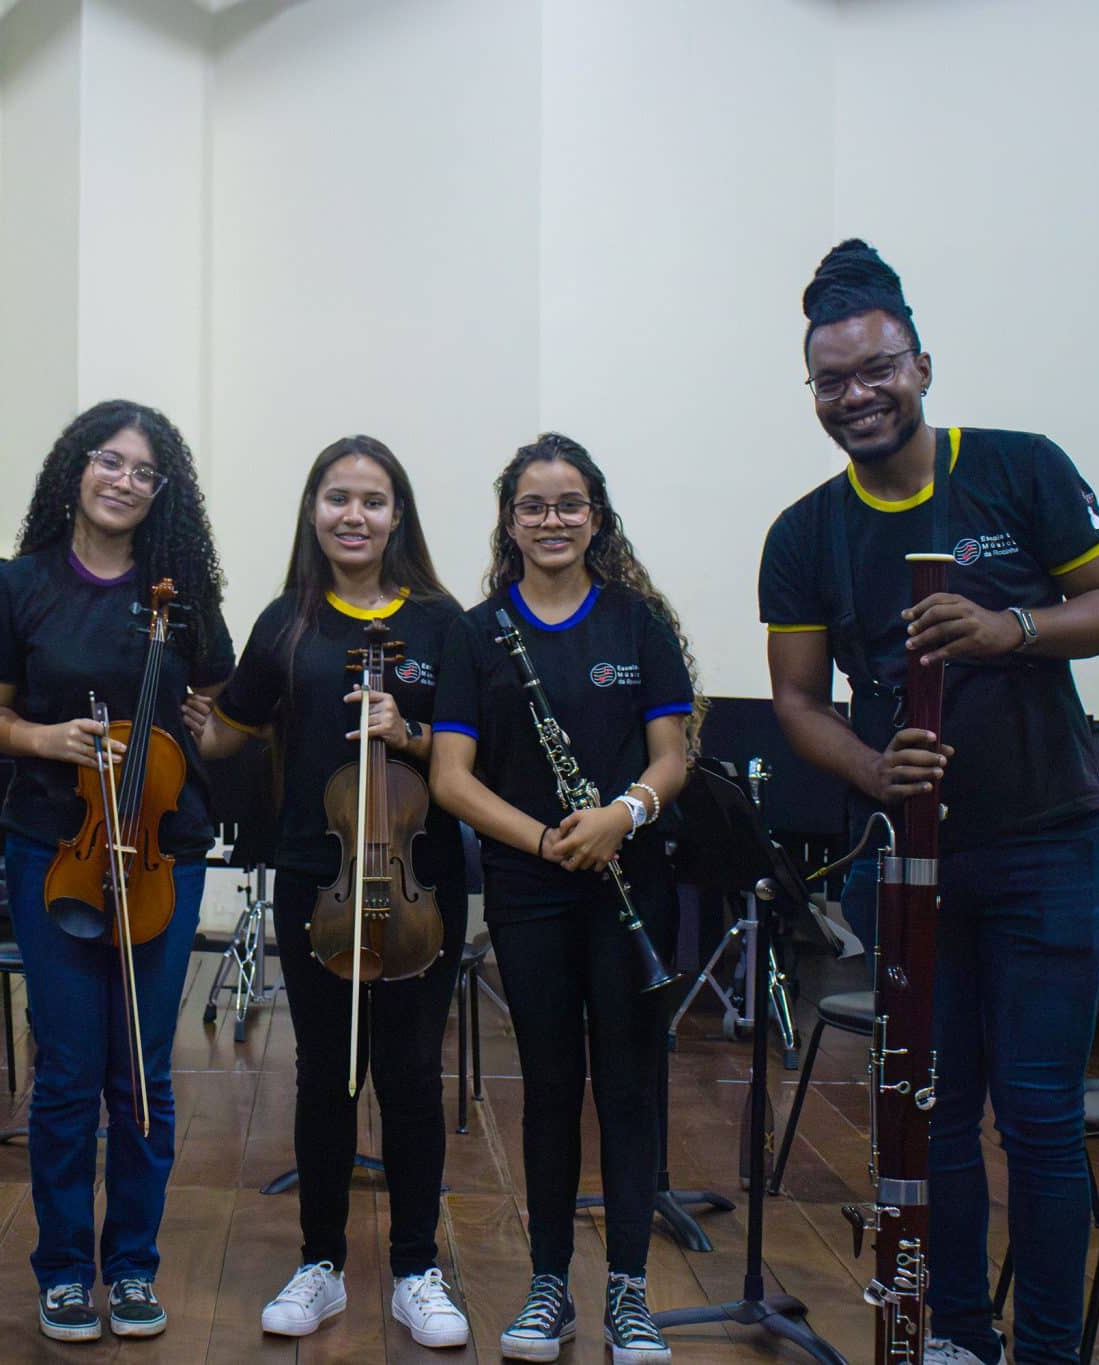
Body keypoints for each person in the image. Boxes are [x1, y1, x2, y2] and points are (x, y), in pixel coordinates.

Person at [759, 240, 1099, 1365]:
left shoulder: (1019, 469)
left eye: (874, 369)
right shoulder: (803, 533)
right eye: (829, 381)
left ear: (919, 365)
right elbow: (794, 701)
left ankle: (1048, 1352)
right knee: (921, 1114)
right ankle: (957, 1339)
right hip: (912, 862)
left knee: (1034, 1120)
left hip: (1043, 849)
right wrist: (873, 771)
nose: (854, 396)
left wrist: (1005, 629)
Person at [195, 436, 471, 1350]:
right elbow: (229, 733)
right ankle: (319, 1262)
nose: (354, 514)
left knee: (411, 1077)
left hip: (418, 878)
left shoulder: (440, 623)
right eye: (337, 496)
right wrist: (169, 686)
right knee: (324, 1075)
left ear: (399, 515)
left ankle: (416, 1268)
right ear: (313, 509)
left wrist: (413, 728)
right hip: (318, 877)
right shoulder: (287, 620)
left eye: (374, 499)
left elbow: (473, 754)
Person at [0, 400, 232, 1342]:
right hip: (54, 844)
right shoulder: (19, 585)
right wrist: (47, 737)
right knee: (71, 1069)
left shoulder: (184, 595)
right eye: (108, 461)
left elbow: (217, 710)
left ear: (164, 492)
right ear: (75, 467)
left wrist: (208, 727)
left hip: (163, 848)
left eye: (144, 471)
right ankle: (65, 1268)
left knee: (144, 1074)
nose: (123, 480)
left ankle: (132, 1266)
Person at [430, 434, 696, 1364]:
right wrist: (547, 837)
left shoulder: (638, 622)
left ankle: (628, 1291)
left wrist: (623, 813)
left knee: (630, 1084)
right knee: (548, 1085)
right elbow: (452, 777)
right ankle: (550, 1286)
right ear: (510, 520)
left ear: (596, 516)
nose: (552, 520)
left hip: (630, 880)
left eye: (569, 504)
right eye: (534, 506)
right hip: (529, 884)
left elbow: (675, 754)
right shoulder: (475, 632)